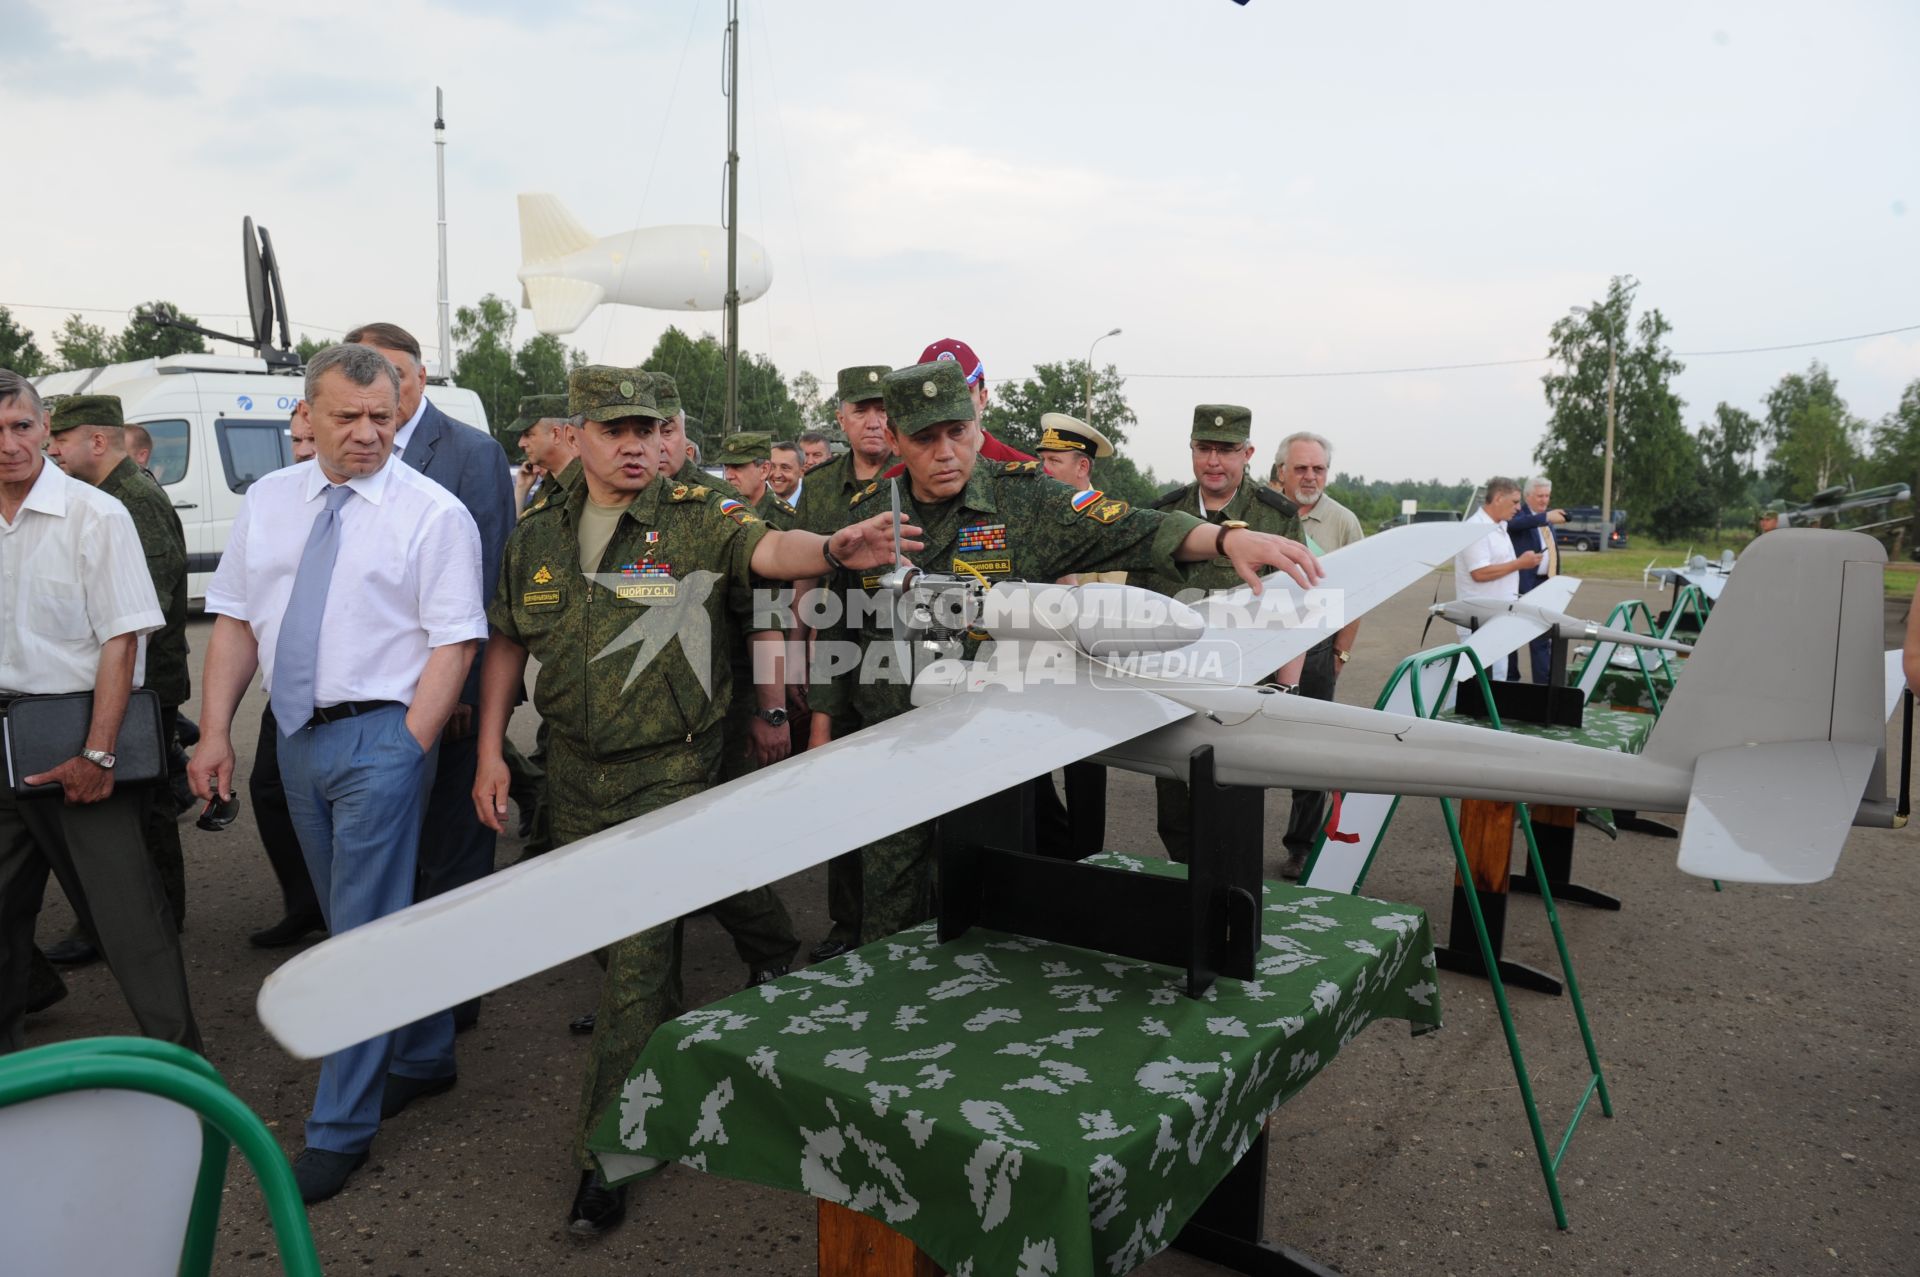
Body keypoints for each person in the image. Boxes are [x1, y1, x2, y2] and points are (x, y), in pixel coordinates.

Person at [468, 365, 917, 1236]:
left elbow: (766, 549)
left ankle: (610, 1153)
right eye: (616, 429)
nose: (636, 444)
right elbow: (507, 641)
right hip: (571, 771)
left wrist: (829, 549)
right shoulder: (539, 530)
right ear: (582, 433)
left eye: (650, 427)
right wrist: (492, 750)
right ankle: (704, 1000)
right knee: (612, 946)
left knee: (640, 959)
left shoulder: (696, 514)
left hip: (667, 767)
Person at [811, 368, 1321, 940]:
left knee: (988, 912)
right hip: (892, 744)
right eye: (926, 439)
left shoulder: (1025, 501)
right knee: (889, 912)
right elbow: (840, 629)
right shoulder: (867, 513)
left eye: (957, 432)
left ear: (978, 427)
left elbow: (1134, 527)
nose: (946, 452)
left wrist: (1227, 538)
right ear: (898, 439)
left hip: (989, 751)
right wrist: (822, 724)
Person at [188, 344, 486, 1204]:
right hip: (294, 737)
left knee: (355, 937)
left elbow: (454, 640)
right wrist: (217, 734)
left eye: (381, 418)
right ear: (306, 415)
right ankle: (425, 1052)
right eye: (347, 417)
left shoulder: (433, 514)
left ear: (400, 413)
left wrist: (408, 746)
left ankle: (339, 1128)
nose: (366, 434)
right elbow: (238, 621)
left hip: (380, 742)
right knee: (362, 916)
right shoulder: (270, 501)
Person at [0, 367, 200, 1055]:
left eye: (20, 426)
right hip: (3, 742)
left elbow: (123, 642)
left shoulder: (98, 514)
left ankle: (186, 1070)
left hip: (76, 735)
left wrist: (98, 752)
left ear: (44, 429)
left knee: (128, 922)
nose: (8, 444)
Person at [347, 322, 515, 1032]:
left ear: (418, 377)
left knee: (453, 855)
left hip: (452, 699)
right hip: (375, 702)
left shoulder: (472, 453)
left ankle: (454, 1003)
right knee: (395, 859)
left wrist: (468, 699)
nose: (379, 385)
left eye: (390, 372)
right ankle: (398, 993)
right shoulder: (348, 455)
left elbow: (487, 584)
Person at [42, 394, 192, 946]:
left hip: (144, 682)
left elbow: (140, 608)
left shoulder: (133, 499)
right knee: (133, 805)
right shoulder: (109, 495)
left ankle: (154, 923)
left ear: (97, 441)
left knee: (143, 808)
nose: (51, 450)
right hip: (127, 678)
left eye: (60, 439)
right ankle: (125, 920)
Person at [1133, 406, 1308, 864]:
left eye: (1227, 450)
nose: (1214, 461)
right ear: (1191, 449)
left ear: (1248, 453)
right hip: (1173, 690)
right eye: (1204, 448)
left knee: (1233, 812)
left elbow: (1296, 608)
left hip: (1241, 693)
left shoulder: (1275, 518)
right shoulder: (1164, 514)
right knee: (1175, 816)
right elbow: (1137, 603)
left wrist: (1286, 688)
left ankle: (1230, 914)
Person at [796, 366, 898, 960]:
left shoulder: (910, 477)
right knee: (843, 790)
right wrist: (798, 653)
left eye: (883, 409)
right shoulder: (823, 482)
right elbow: (806, 572)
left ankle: (910, 921)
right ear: (841, 418)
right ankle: (847, 924)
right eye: (861, 409)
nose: (875, 420)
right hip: (837, 650)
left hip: (901, 651)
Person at [245, 400, 327, 948]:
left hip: (364, 704)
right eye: (295, 441)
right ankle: (306, 903)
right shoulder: (274, 499)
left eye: (308, 441)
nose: (300, 452)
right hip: (291, 694)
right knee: (268, 789)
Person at [1267, 431, 1366, 877]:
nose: (1310, 476)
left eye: (1318, 468)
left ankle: (1301, 846)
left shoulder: (1344, 523)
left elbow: (1358, 594)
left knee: (1308, 749)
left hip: (1317, 651)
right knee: (1242, 743)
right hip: (1256, 645)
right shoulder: (1258, 515)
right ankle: (1228, 839)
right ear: (1281, 471)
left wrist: (1341, 654)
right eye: (1301, 468)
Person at [1454, 477, 1539, 679]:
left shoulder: (1499, 526)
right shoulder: (1475, 528)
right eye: (1515, 502)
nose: (1519, 508)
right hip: (1479, 621)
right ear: (1499, 498)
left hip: (1498, 618)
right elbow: (1479, 573)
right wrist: (1519, 564)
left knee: (1497, 678)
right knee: (1470, 681)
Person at [1506, 477, 1568, 684]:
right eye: (1540, 496)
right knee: (1512, 636)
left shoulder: (1547, 519)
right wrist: (1544, 517)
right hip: (1522, 585)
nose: (1544, 500)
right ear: (1528, 496)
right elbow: (1513, 525)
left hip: (1546, 583)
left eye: (1547, 496)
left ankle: (1543, 685)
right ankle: (1509, 680)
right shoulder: (1519, 514)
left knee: (1542, 637)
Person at [1034, 412, 1112, 491]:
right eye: (1042, 459)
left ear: (1082, 467)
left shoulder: (1097, 504)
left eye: (1054, 460)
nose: (1042, 468)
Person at [767, 440, 805, 506]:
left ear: (801, 472)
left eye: (785, 468)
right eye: (772, 467)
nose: (777, 475)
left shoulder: (815, 504)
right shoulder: (754, 503)